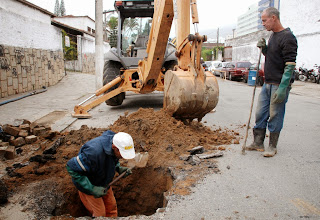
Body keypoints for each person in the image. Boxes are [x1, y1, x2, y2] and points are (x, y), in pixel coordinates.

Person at [247, 7, 297, 157]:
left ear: (273, 18)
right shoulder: (273, 36)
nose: (263, 24)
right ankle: (258, 143)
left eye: (264, 20)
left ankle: (272, 146)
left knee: (275, 114)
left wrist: (283, 87)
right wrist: (264, 49)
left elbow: (290, 65)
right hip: (267, 83)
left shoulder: (288, 37)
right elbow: (274, 57)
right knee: (260, 113)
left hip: (278, 84)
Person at [66, 130, 135, 217]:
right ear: (114, 147)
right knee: (100, 214)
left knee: (111, 208)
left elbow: (111, 158)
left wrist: (118, 168)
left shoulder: (114, 143)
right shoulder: (93, 153)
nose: (123, 157)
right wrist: (92, 188)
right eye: (122, 154)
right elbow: (71, 167)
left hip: (104, 181)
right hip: (89, 184)